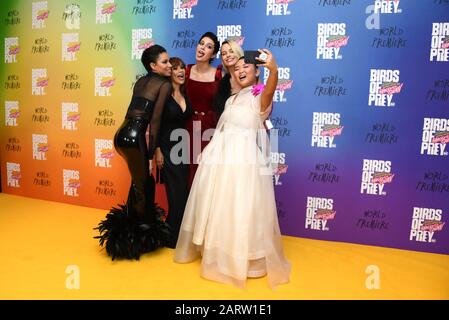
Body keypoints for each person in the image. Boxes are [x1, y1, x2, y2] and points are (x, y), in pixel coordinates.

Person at [174, 49, 291, 289]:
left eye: (246, 67)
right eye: (236, 69)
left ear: (257, 71)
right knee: (222, 207)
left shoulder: (259, 96)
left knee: (241, 207)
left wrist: (274, 70)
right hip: (219, 158)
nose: (240, 71)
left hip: (243, 160)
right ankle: (219, 254)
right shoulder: (231, 99)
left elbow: (268, 92)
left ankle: (244, 260)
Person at [95, 45, 172, 260]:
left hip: (121, 134)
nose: (170, 65)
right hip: (133, 136)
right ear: (153, 65)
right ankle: (139, 236)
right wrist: (151, 152)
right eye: (165, 62)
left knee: (138, 182)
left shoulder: (140, 81)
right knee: (143, 184)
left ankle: (133, 227)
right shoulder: (163, 84)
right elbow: (155, 120)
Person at [154, 57, 193, 249]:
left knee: (183, 193)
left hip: (183, 149)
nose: (181, 71)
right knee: (175, 193)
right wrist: (157, 150)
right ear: (169, 72)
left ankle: (179, 235)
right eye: (176, 68)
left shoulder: (185, 94)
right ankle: (172, 238)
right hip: (168, 148)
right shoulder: (163, 95)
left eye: (183, 68)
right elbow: (156, 123)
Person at [185, 32, 222, 186]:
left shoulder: (218, 75)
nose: (202, 48)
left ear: (213, 54)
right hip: (185, 128)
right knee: (186, 173)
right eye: (201, 43)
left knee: (203, 174)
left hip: (209, 130)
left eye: (208, 47)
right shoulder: (185, 71)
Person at [213, 39, 244, 118]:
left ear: (238, 53)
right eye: (224, 54)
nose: (228, 55)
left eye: (231, 51)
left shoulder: (250, 77)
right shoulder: (222, 83)